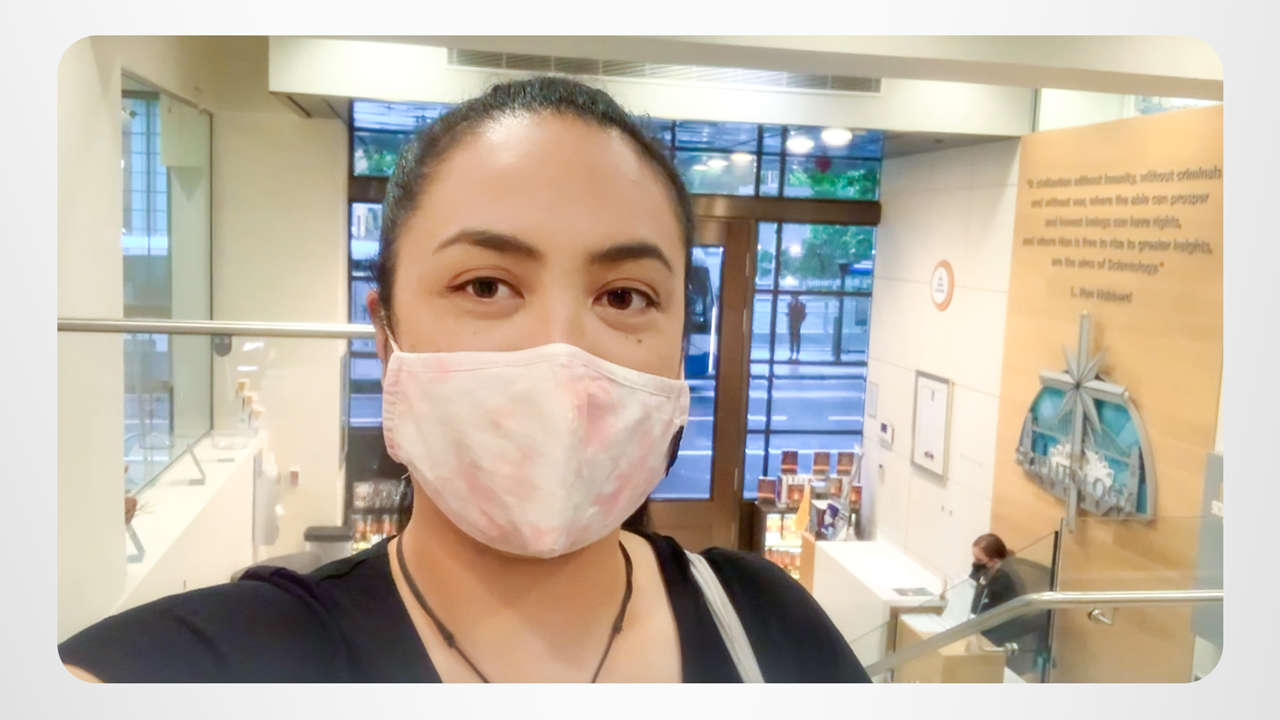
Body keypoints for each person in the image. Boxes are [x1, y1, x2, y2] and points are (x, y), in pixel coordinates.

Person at [60, 76, 869, 683]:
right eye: (486, 285)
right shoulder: (240, 661)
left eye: (625, 296)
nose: (559, 353)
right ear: (387, 337)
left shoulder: (767, 629)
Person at [968, 533, 1019, 616]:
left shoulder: (1004, 581)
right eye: (975, 558)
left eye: (979, 560)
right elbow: (971, 585)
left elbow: (993, 611)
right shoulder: (980, 567)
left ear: (995, 561)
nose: (975, 563)